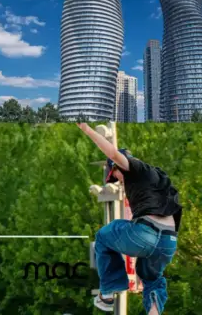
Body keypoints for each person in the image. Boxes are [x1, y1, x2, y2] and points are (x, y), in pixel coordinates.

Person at [77, 123, 180, 315]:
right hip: (168, 241)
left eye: (115, 176)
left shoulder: (134, 168)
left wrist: (87, 130)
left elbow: (114, 154)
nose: (118, 181)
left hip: (146, 233)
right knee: (152, 279)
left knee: (105, 235)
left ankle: (107, 296)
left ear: (118, 168)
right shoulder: (158, 177)